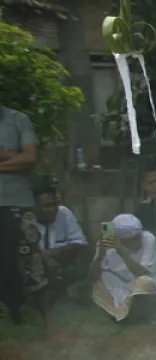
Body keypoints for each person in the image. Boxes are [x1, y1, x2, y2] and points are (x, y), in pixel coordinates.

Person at [0, 105, 47, 326]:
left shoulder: (19, 119)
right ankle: (10, 316)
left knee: (29, 261)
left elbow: (30, 158)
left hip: (18, 202)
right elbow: (21, 158)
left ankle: (39, 317)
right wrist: (12, 156)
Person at [91, 213, 156, 322]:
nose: (138, 241)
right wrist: (100, 254)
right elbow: (92, 277)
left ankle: (140, 315)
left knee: (144, 283)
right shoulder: (107, 244)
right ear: (120, 239)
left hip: (154, 286)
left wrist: (121, 251)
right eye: (132, 239)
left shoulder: (148, 239)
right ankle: (124, 314)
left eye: (138, 236)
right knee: (101, 280)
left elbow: (140, 272)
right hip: (124, 286)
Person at [33, 186, 90, 293]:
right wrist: (45, 259)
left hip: (64, 270)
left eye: (55, 204)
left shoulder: (63, 213)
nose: (53, 209)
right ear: (34, 206)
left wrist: (53, 253)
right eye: (47, 206)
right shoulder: (27, 220)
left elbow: (82, 245)